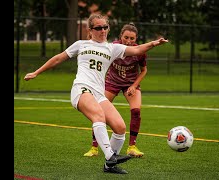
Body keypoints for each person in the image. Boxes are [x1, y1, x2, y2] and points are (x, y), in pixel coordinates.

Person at [24, 13, 168, 174]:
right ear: (90, 30)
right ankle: (111, 156)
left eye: (105, 27)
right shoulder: (81, 44)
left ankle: (109, 166)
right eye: (98, 28)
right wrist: (36, 72)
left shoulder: (113, 48)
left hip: (98, 94)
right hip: (81, 89)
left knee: (120, 128)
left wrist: (154, 43)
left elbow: (137, 49)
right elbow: (58, 58)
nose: (103, 30)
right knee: (98, 116)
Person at [84, 23, 147, 158]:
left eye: (132, 39)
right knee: (98, 111)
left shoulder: (139, 52)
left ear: (136, 39)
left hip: (130, 84)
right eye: (126, 38)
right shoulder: (112, 48)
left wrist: (134, 85)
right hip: (112, 83)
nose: (128, 41)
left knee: (136, 111)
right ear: (121, 37)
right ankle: (94, 148)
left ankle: (132, 147)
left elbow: (144, 70)